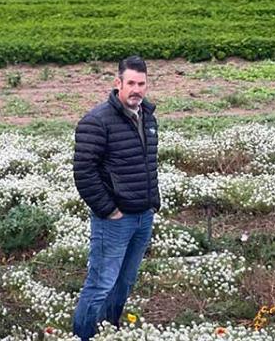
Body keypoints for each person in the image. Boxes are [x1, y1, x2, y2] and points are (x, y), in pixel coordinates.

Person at [71, 55, 161, 340]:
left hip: (143, 216)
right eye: (131, 83)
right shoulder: (97, 121)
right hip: (115, 220)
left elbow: (146, 163)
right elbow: (84, 172)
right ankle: (83, 336)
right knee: (100, 285)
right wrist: (109, 210)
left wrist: (152, 204)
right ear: (118, 83)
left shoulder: (147, 116)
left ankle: (109, 333)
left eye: (141, 84)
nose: (136, 89)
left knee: (124, 284)